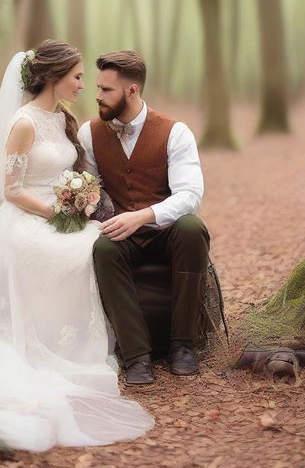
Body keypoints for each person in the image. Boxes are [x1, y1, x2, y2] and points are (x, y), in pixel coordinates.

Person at [0, 40, 153, 451]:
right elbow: (11, 191)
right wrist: (60, 214)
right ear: (54, 77)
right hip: (27, 218)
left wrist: (82, 201)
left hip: (62, 211)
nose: (84, 85)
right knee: (79, 248)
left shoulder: (62, 119)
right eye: (77, 77)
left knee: (96, 242)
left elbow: (75, 171)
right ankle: (59, 351)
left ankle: (91, 347)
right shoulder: (23, 123)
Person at [78, 51, 210, 386]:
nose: (97, 95)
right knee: (103, 248)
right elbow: (91, 191)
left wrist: (145, 215)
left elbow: (190, 195)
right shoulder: (89, 134)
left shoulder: (175, 132)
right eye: (98, 87)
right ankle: (136, 355)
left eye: (107, 90)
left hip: (166, 231)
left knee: (193, 228)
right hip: (123, 235)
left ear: (132, 91)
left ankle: (183, 345)